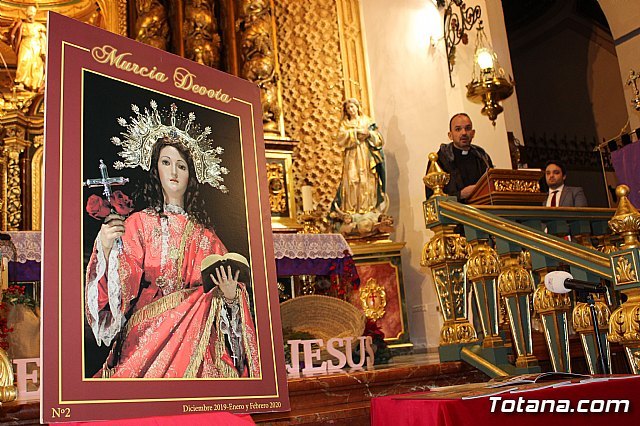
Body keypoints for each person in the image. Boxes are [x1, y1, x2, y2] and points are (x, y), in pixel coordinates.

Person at [85, 103, 259, 379]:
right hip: (147, 335)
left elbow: (227, 288)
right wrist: (106, 248)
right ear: (156, 169)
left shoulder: (206, 236)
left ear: (191, 176)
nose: (174, 172)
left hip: (197, 335)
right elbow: (122, 285)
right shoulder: (140, 223)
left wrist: (229, 296)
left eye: (181, 166)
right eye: (166, 162)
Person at [332, 98, 386, 215]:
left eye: (352, 107)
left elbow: (379, 139)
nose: (351, 110)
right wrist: (355, 134)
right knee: (352, 179)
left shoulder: (367, 121)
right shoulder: (345, 124)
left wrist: (369, 134)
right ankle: (352, 209)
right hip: (352, 154)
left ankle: (367, 207)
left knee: (366, 179)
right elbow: (340, 138)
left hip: (365, 153)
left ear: (357, 107)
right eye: (348, 108)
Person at [425, 113, 494, 202]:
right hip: (453, 210)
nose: (464, 133)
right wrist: (460, 195)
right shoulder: (440, 160)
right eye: (458, 129)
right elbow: (432, 198)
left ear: (473, 133)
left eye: (467, 128)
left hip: (482, 207)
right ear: (450, 135)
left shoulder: (482, 157)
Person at [7, 5, 46, 91]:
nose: (32, 13)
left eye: (33, 11)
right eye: (30, 11)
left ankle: (34, 85)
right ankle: (21, 82)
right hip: (25, 44)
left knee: (36, 64)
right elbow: (13, 35)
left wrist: (44, 51)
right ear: (26, 12)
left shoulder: (39, 26)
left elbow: (43, 39)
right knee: (23, 61)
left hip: (36, 46)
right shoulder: (22, 24)